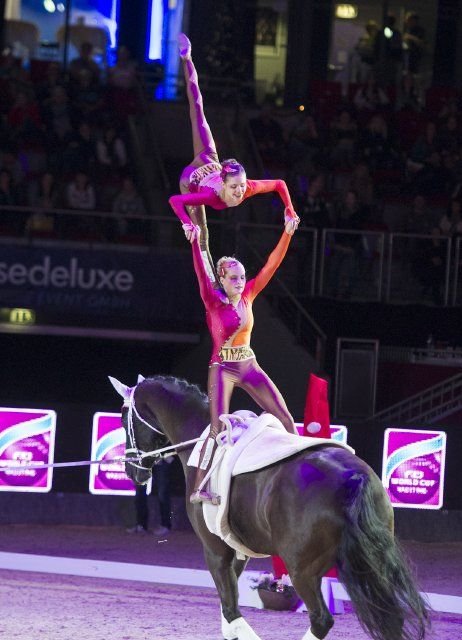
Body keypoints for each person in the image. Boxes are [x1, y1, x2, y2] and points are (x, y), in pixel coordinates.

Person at [178, 217, 299, 505]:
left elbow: (272, 264)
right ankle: (199, 487)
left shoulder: (249, 295)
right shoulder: (212, 300)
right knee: (217, 429)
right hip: (223, 370)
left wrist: (287, 233)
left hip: (248, 365)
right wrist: (195, 241)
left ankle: (298, 472)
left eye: (242, 277)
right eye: (233, 277)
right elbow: (199, 270)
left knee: (285, 418)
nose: (240, 281)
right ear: (221, 279)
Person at [169, 33, 299, 282]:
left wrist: (290, 210)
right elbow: (175, 199)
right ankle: (187, 58)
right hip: (191, 178)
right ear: (224, 184)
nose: (240, 191)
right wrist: (186, 221)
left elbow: (279, 184)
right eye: (235, 187)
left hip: (211, 159)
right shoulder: (210, 195)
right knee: (200, 233)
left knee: (199, 111)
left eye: (241, 185)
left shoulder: (247, 188)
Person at [127, 458, 173, 536]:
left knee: (162, 493)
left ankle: (165, 525)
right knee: (140, 492)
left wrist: (162, 455)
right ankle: (141, 525)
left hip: (161, 460)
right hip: (144, 460)